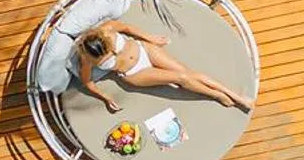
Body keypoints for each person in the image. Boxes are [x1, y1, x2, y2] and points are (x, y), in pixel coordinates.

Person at [74, 18, 253, 112]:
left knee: (187, 74)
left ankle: (235, 96)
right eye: (105, 56)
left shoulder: (107, 29)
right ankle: (216, 95)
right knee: (182, 78)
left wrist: (150, 38)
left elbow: (127, 28)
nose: (112, 53)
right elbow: (87, 81)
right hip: (136, 73)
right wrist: (105, 97)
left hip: (144, 50)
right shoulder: (87, 59)